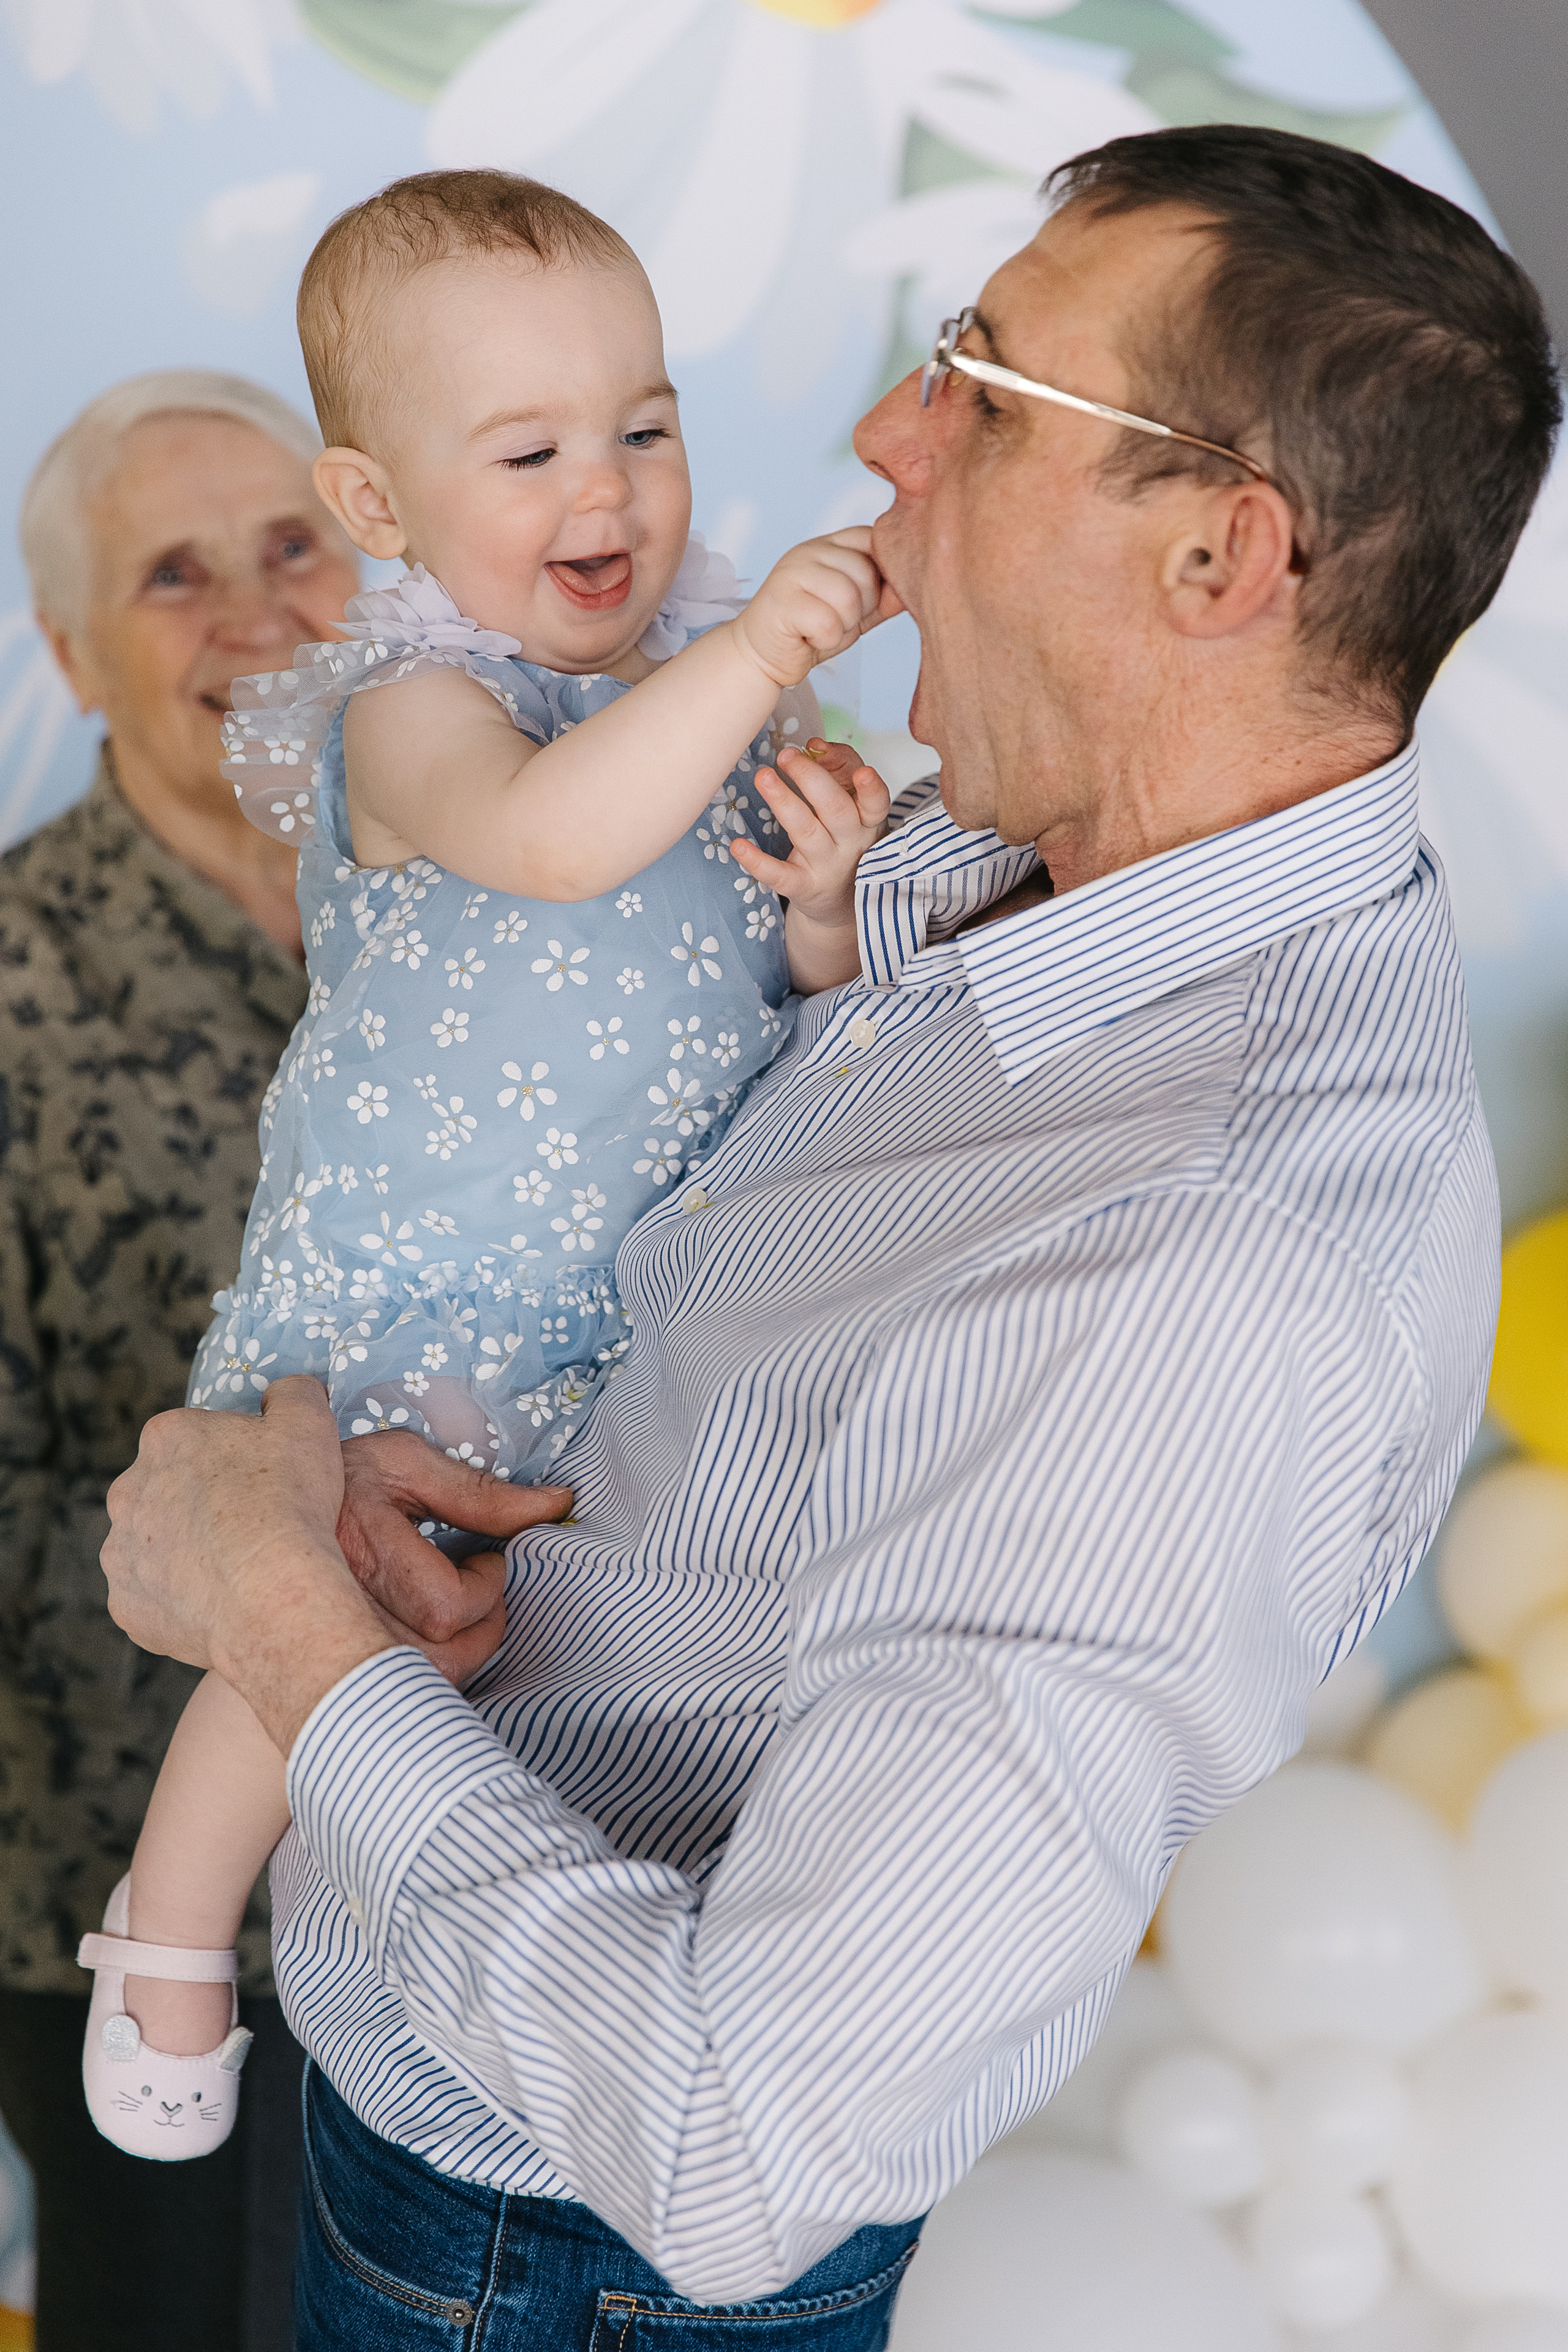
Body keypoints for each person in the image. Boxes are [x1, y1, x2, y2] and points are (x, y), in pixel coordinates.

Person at [100, 126, 1559, 2350]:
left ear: (1217, 558)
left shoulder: (1197, 1271)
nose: (884, 429)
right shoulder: (1038, 884)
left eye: (981, 387)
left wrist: (294, 1629)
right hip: (419, 2087)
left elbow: (735, 2147)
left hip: (544, 2263)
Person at [77, 172, 894, 2152]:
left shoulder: (697, 702)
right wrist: (758, 650)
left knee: (518, 1661)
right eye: (528, 451)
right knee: (333, 1589)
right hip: (418, 1279)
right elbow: (548, 839)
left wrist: (821, 900)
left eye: (646, 425)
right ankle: (169, 1932)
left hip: (628, 1302)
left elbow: (765, 987)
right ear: (378, 508)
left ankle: (462, 1974)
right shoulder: (418, 707)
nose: (603, 490)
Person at [0, 371, 358, 2348]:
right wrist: (302, 1606)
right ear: (69, 650)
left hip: (469, 1866)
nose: (253, 615)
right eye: (172, 576)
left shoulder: (484, 901)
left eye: (292, 547)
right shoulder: (14, 981)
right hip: (118, 1902)